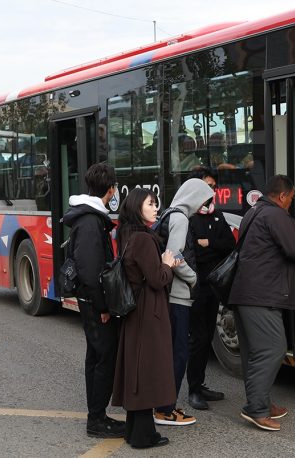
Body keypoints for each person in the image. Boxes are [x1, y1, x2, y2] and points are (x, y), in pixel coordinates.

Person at [228, 175, 295, 432]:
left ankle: (263, 403)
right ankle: (256, 409)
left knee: (254, 353)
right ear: (282, 196)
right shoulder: (277, 216)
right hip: (261, 295)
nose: (290, 204)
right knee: (274, 348)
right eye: (290, 199)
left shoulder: (253, 212)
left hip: (244, 293)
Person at [111, 188, 179, 449]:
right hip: (148, 311)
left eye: (156, 203)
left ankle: (135, 431)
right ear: (138, 207)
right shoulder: (143, 239)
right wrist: (168, 264)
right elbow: (157, 279)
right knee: (149, 370)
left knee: (139, 369)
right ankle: (142, 436)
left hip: (136, 311)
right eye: (151, 204)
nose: (155, 208)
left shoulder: (127, 233)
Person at [61, 163, 125, 439]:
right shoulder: (90, 222)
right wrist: (102, 308)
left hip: (91, 299)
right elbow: (89, 270)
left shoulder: (89, 217)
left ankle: (96, 415)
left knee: (96, 357)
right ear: (111, 190)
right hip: (93, 301)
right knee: (104, 358)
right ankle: (97, 420)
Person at [152, 177, 214, 427]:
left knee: (174, 352)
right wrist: (193, 279)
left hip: (170, 294)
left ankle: (164, 405)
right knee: (178, 354)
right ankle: (166, 409)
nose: (206, 205)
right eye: (205, 200)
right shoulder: (179, 218)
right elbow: (174, 255)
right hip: (177, 296)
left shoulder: (170, 214)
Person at [184, 172, 235, 410]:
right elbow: (193, 251)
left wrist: (209, 243)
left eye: (214, 187)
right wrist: (210, 246)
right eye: (207, 187)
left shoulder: (217, 215)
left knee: (206, 338)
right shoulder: (187, 218)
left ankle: (201, 384)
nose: (211, 192)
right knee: (197, 338)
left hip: (213, 286)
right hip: (195, 288)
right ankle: (193, 389)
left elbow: (229, 245)